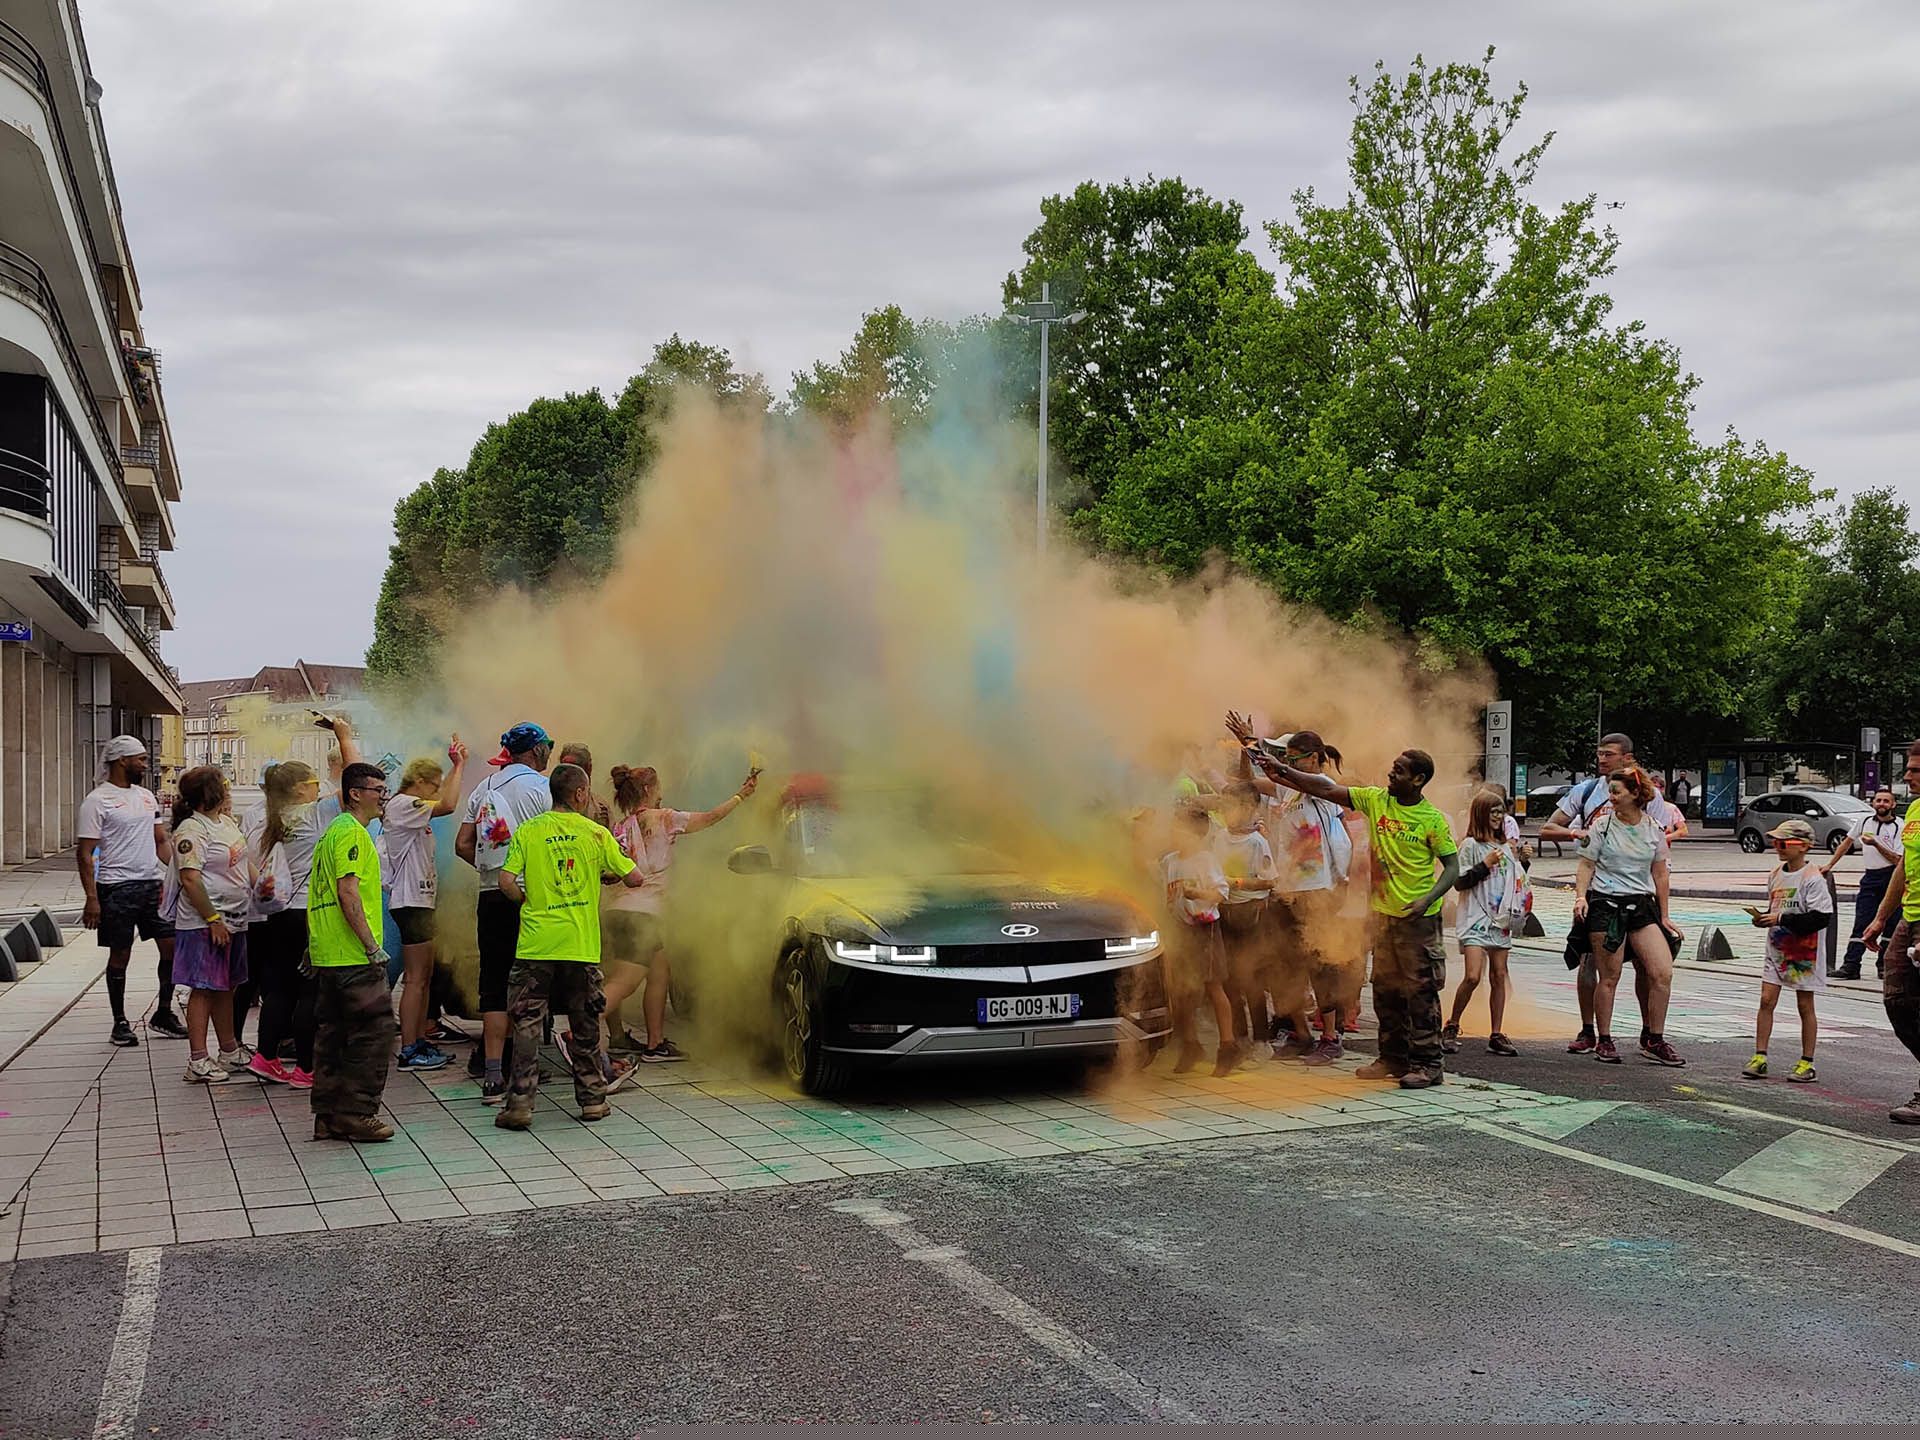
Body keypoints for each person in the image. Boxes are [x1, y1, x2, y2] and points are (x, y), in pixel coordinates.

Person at [1233, 713, 1460, 1089]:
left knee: (1420, 993)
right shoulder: (1375, 800)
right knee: (1385, 990)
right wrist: (1264, 756)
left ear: (1418, 780)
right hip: (1384, 916)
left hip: (1419, 920)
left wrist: (1429, 898)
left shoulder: (1432, 820)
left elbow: (1452, 867)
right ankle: (1391, 1057)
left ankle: (1428, 1064)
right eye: (1393, 768)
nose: (1391, 774)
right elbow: (1313, 785)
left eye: (1399, 771)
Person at [495, 764, 650, 1129]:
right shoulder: (595, 833)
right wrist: (605, 875)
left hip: (536, 946)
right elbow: (636, 878)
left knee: (527, 1025)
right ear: (580, 793)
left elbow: (505, 881)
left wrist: (525, 901)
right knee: (585, 1024)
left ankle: (520, 1105)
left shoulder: (529, 830)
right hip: (580, 947)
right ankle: (593, 1101)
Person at [598, 762, 759, 1064]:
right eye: (658, 787)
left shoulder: (621, 827)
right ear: (648, 789)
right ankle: (578, 1032)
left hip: (618, 911)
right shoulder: (664, 818)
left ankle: (655, 1044)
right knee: (624, 982)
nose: (662, 793)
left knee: (660, 969)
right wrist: (741, 796)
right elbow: (709, 818)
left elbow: (610, 872)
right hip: (642, 916)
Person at [1239, 730, 1351, 1063]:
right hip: (1285, 889)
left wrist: (1256, 747)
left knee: (1320, 964)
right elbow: (1249, 783)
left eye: (1292, 758)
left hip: (1317, 890)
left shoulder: (1322, 786)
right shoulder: (1284, 789)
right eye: (1284, 758)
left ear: (1314, 758)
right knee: (1279, 963)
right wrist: (1247, 749)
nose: (1286, 763)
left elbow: (1281, 775)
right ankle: (1300, 1034)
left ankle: (1330, 1038)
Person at [455, 722, 554, 1103]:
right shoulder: (542, 788)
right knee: (530, 983)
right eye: (547, 747)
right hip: (531, 899)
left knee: (494, 982)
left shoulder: (483, 787)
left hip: (490, 896)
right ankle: (524, 1070)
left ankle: (493, 1074)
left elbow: (463, 844)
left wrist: (492, 872)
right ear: (536, 751)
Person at [1539, 733, 1655, 1054]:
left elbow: (1659, 836)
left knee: (1646, 964)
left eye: (1609, 754)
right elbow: (1548, 828)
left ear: (1627, 758)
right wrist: (1577, 832)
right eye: (1600, 754)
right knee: (1590, 961)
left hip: (1637, 891)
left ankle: (1650, 1033)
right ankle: (1589, 1030)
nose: (1602, 759)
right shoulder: (1587, 790)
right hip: (1597, 890)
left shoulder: (1646, 793)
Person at [1570, 764, 1686, 1066]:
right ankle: (1604, 1039)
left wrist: (1664, 916)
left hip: (1641, 906)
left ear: (1635, 794)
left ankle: (1654, 1038)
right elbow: (1586, 865)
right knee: (1609, 976)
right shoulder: (1602, 826)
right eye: (1610, 791)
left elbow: (1660, 874)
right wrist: (1581, 897)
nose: (1611, 797)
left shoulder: (1653, 828)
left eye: (1617, 792)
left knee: (1662, 972)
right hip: (1606, 905)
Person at [307, 761, 398, 1143]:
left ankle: (328, 1114)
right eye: (379, 790)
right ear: (356, 794)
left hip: (331, 954)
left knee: (334, 1035)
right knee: (375, 1032)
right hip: (353, 956)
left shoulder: (333, 832)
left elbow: (320, 893)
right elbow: (347, 892)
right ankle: (357, 1113)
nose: (384, 797)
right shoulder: (351, 834)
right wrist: (371, 946)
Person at [77, 736, 177, 1047]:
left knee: (172, 947)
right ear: (122, 760)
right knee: (120, 953)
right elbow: (85, 853)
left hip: (152, 884)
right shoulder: (97, 800)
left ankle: (164, 1012)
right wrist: (92, 898)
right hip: (116, 887)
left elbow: (160, 841)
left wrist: (178, 873)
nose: (146, 765)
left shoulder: (146, 797)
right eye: (141, 759)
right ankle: (119, 1022)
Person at [167, 768, 257, 1083]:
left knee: (227, 986)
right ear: (210, 794)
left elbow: (243, 862)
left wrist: (263, 886)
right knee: (204, 988)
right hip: (204, 924)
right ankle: (198, 1059)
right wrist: (212, 919)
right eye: (223, 785)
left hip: (235, 919)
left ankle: (229, 1049)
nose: (228, 790)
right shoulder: (191, 830)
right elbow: (190, 879)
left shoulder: (226, 823)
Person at [384, 739, 468, 1071]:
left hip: (421, 899)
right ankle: (409, 1049)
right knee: (416, 979)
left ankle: (419, 1040)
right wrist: (459, 766)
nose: (436, 792)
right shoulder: (403, 804)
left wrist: (452, 769)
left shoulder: (412, 809)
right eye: (433, 785)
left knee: (425, 976)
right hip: (410, 901)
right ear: (418, 782)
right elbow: (448, 804)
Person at [1857, 742, 1920, 1124]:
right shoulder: (1914, 810)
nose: (1907, 776)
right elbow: (1903, 866)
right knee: (1897, 1000)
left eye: (1916, 770)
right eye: (1909, 768)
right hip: (1908, 917)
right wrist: (1881, 917)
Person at [1741, 819, 1829, 1083]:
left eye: (1783, 843)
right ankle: (1760, 1056)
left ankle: (1807, 1061)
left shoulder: (1812, 878)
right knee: (1766, 1000)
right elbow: (1775, 907)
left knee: (1805, 1004)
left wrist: (1780, 919)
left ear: (1803, 846)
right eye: (1776, 842)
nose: (1777, 847)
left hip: (1804, 952)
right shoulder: (1776, 874)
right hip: (1777, 948)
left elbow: (1820, 917)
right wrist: (1764, 918)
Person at [1440, 788, 1524, 1057]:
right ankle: (1452, 1024)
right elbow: (1459, 881)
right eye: (1493, 812)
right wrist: (1484, 864)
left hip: (1500, 919)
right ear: (1480, 814)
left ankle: (1496, 1032)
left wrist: (1523, 861)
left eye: (1501, 812)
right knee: (1473, 975)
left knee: (1499, 974)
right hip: (1475, 918)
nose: (1498, 817)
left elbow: (1513, 881)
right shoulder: (1470, 846)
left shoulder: (1505, 848)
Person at [1161, 803, 1238, 1075]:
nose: (1173, 833)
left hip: (1205, 930)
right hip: (1179, 929)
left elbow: (1221, 893)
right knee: (1181, 990)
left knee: (1213, 986)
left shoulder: (1205, 860)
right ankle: (1191, 1045)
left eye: (1178, 829)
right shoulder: (1169, 862)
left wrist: (1197, 894)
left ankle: (1228, 1047)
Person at [1211, 782, 1277, 1061]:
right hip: (1224, 913)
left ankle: (1261, 1040)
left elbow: (1269, 880)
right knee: (1230, 981)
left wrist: (1235, 882)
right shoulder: (1219, 838)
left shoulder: (1257, 842)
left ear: (1249, 808)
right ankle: (1238, 1038)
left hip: (1250, 915)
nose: (1226, 812)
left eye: (1232, 806)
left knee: (1252, 978)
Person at [1826, 787, 1900, 979]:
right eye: (1878, 800)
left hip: (1892, 877)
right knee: (1862, 920)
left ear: (1893, 804)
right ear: (1873, 803)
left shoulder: (1899, 826)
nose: (1881, 804)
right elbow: (1846, 843)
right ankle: (1851, 965)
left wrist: (1875, 844)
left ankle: (1884, 965)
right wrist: (1830, 865)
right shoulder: (1864, 821)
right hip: (1870, 877)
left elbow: (1898, 860)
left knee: (1891, 923)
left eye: (1886, 801)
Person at [555, 742, 612, 826]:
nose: (567, 773)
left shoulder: (600, 807)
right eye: (564, 767)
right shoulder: (549, 800)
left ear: (588, 769)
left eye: (574, 767)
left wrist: (602, 827)